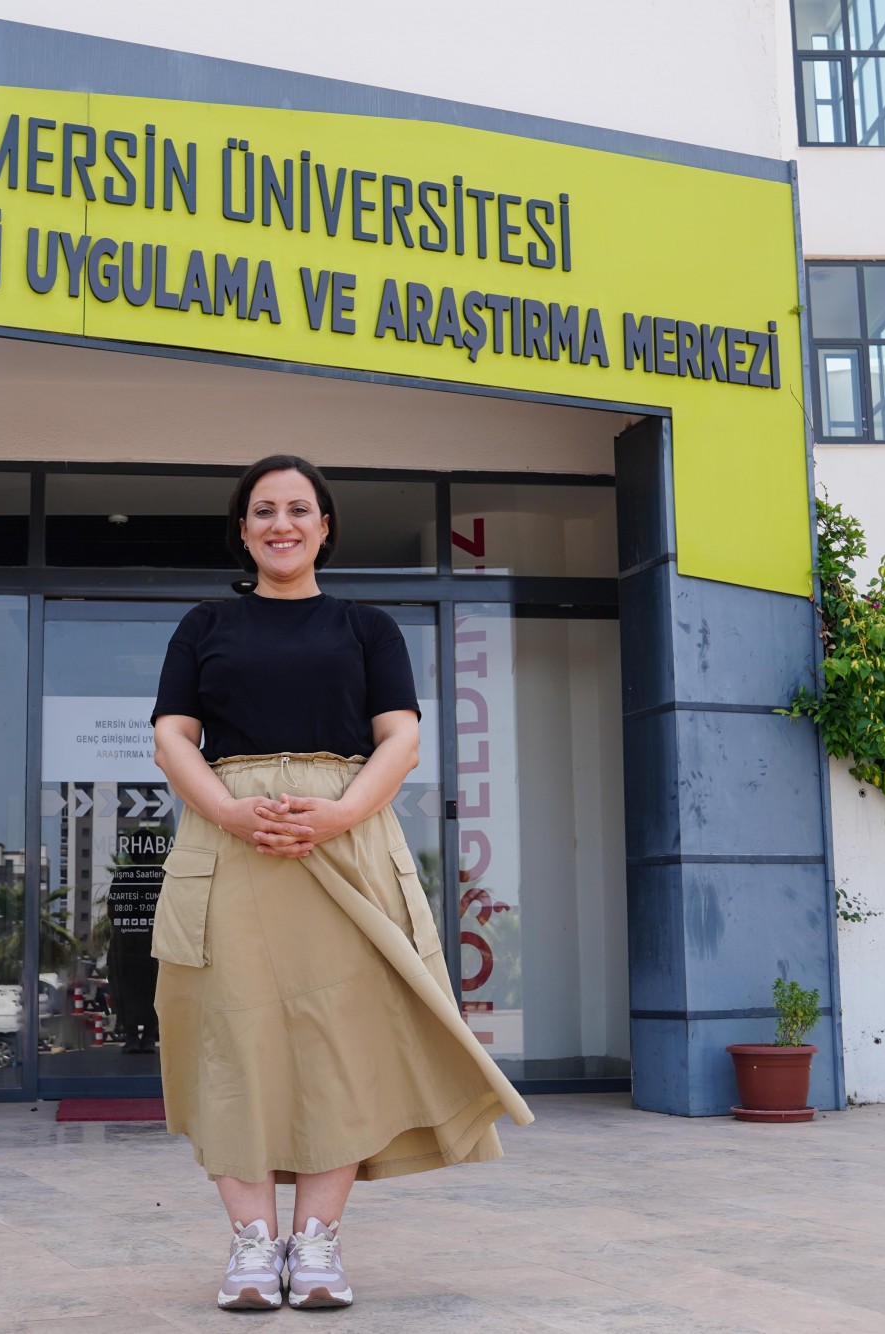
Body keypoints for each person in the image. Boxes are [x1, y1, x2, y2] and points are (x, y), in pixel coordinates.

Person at [149, 454, 533, 1312]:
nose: (281, 524)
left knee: (339, 1041)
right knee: (234, 1038)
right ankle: (253, 1245)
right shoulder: (204, 624)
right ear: (243, 530)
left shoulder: (368, 627)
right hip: (232, 845)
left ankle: (317, 1242)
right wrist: (230, 811)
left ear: (324, 527)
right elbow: (173, 736)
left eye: (298, 509)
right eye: (263, 511)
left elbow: (400, 737)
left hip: (345, 844)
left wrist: (340, 813)